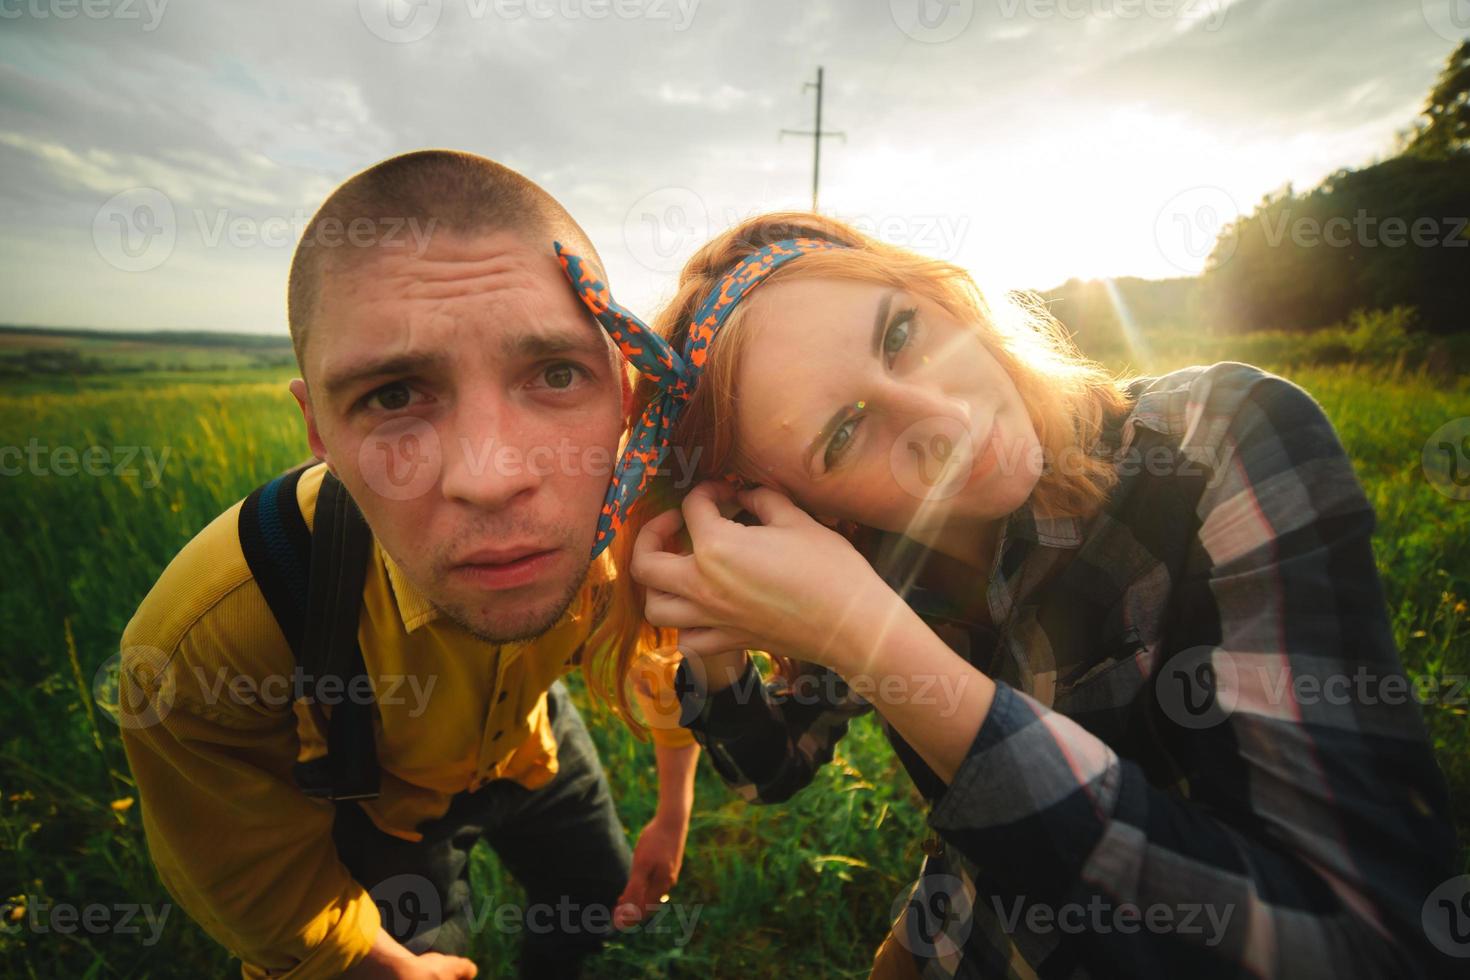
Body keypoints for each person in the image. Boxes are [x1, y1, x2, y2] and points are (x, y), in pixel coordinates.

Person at [553, 212, 1461, 977]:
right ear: (804, 508)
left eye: (901, 335)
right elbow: (773, 769)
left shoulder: (1216, 443)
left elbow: (1370, 943)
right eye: (842, 438)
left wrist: (873, 640)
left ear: (939, 292)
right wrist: (721, 631)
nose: (946, 422)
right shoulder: (872, 559)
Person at [116, 149, 699, 980]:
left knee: (593, 904)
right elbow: (245, 870)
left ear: (626, 399)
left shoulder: (636, 527)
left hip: (536, 743)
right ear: (319, 431)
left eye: (558, 374)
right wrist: (375, 964)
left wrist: (671, 813)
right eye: (394, 395)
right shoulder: (204, 635)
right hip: (378, 803)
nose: (491, 478)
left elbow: (661, 654)